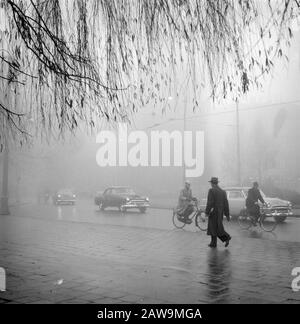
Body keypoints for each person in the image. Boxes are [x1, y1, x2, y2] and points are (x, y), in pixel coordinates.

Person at [205, 177, 231, 248]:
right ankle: (213, 243)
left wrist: (207, 212)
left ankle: (226, 238)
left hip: (213, 212)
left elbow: (210, 202)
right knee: (217, 227)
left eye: (211, 183)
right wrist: (227, 214)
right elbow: (226, 203)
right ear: (217, 183)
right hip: (220, 212)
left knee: (213, 227)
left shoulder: (211, 190)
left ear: (212, 183)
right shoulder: (223, 192)